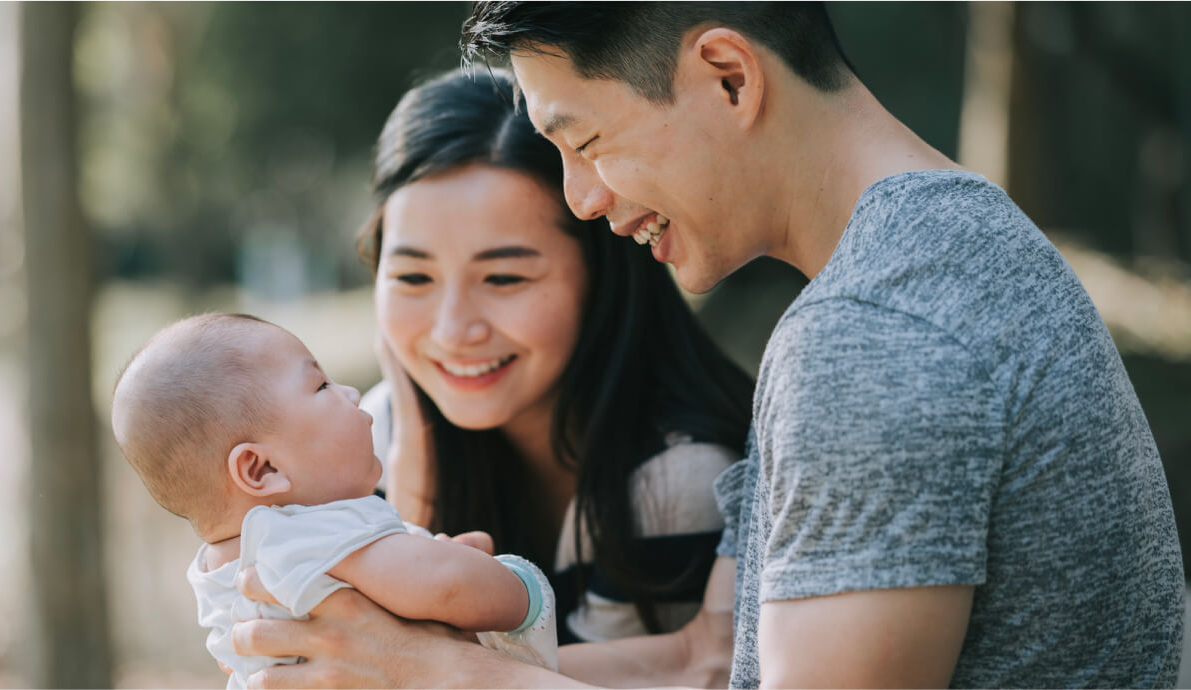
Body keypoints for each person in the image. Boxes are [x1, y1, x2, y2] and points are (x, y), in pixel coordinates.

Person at [232, 3, 1186, 688]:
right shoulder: (955, 241)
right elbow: (712, 659)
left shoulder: (871, 341)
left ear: (729, 76)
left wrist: (439, 678)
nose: (581, 198)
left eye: (587, 139)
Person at [236, 66, 757, 688]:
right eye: (413, 278)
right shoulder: (372, 433)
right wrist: (410, 465)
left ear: (602, 278)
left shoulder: (673, 476)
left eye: (505, 278)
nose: (455, 329)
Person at [109, 313, 558, 689]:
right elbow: (447, 586)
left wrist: (420, 553)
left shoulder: (222, 570)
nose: (351, 393)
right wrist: (515, 585)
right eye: (321, 386)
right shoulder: (309, 533)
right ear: (261, 470)